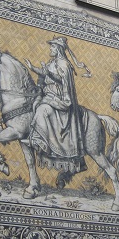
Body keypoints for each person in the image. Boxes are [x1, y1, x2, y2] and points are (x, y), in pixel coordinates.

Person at [25, 37, 87, 175]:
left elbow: (62, 80)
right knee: (35, 104)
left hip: (60, 99)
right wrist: (32, 68)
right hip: (49, 96)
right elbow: (44, 73)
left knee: (42, 110)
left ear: (58, 49)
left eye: (53, 47)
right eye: (51, 46)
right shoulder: (52, 62)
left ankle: (39, 141)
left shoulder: (64, 64)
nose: (50, 49)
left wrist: (48, 73)